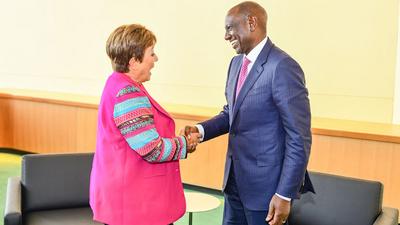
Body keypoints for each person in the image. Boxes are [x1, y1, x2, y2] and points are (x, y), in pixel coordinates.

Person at [184, 2, 314, 225]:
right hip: (234, 182)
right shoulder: (236, 64)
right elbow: (231, 113)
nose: (226, 36)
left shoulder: (282, 66)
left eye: (229, 28)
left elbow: (299, 138)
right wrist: (201, 130)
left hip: (267, 191)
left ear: (251, 22)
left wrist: (284, 194)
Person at [89, 24, 200, 225]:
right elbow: (152, 150)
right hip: (135, 204)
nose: (155, 59)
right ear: (134, 61)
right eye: (151, 53)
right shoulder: (127, 93)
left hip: (127, 199)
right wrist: (185, 143)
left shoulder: (118, 83)